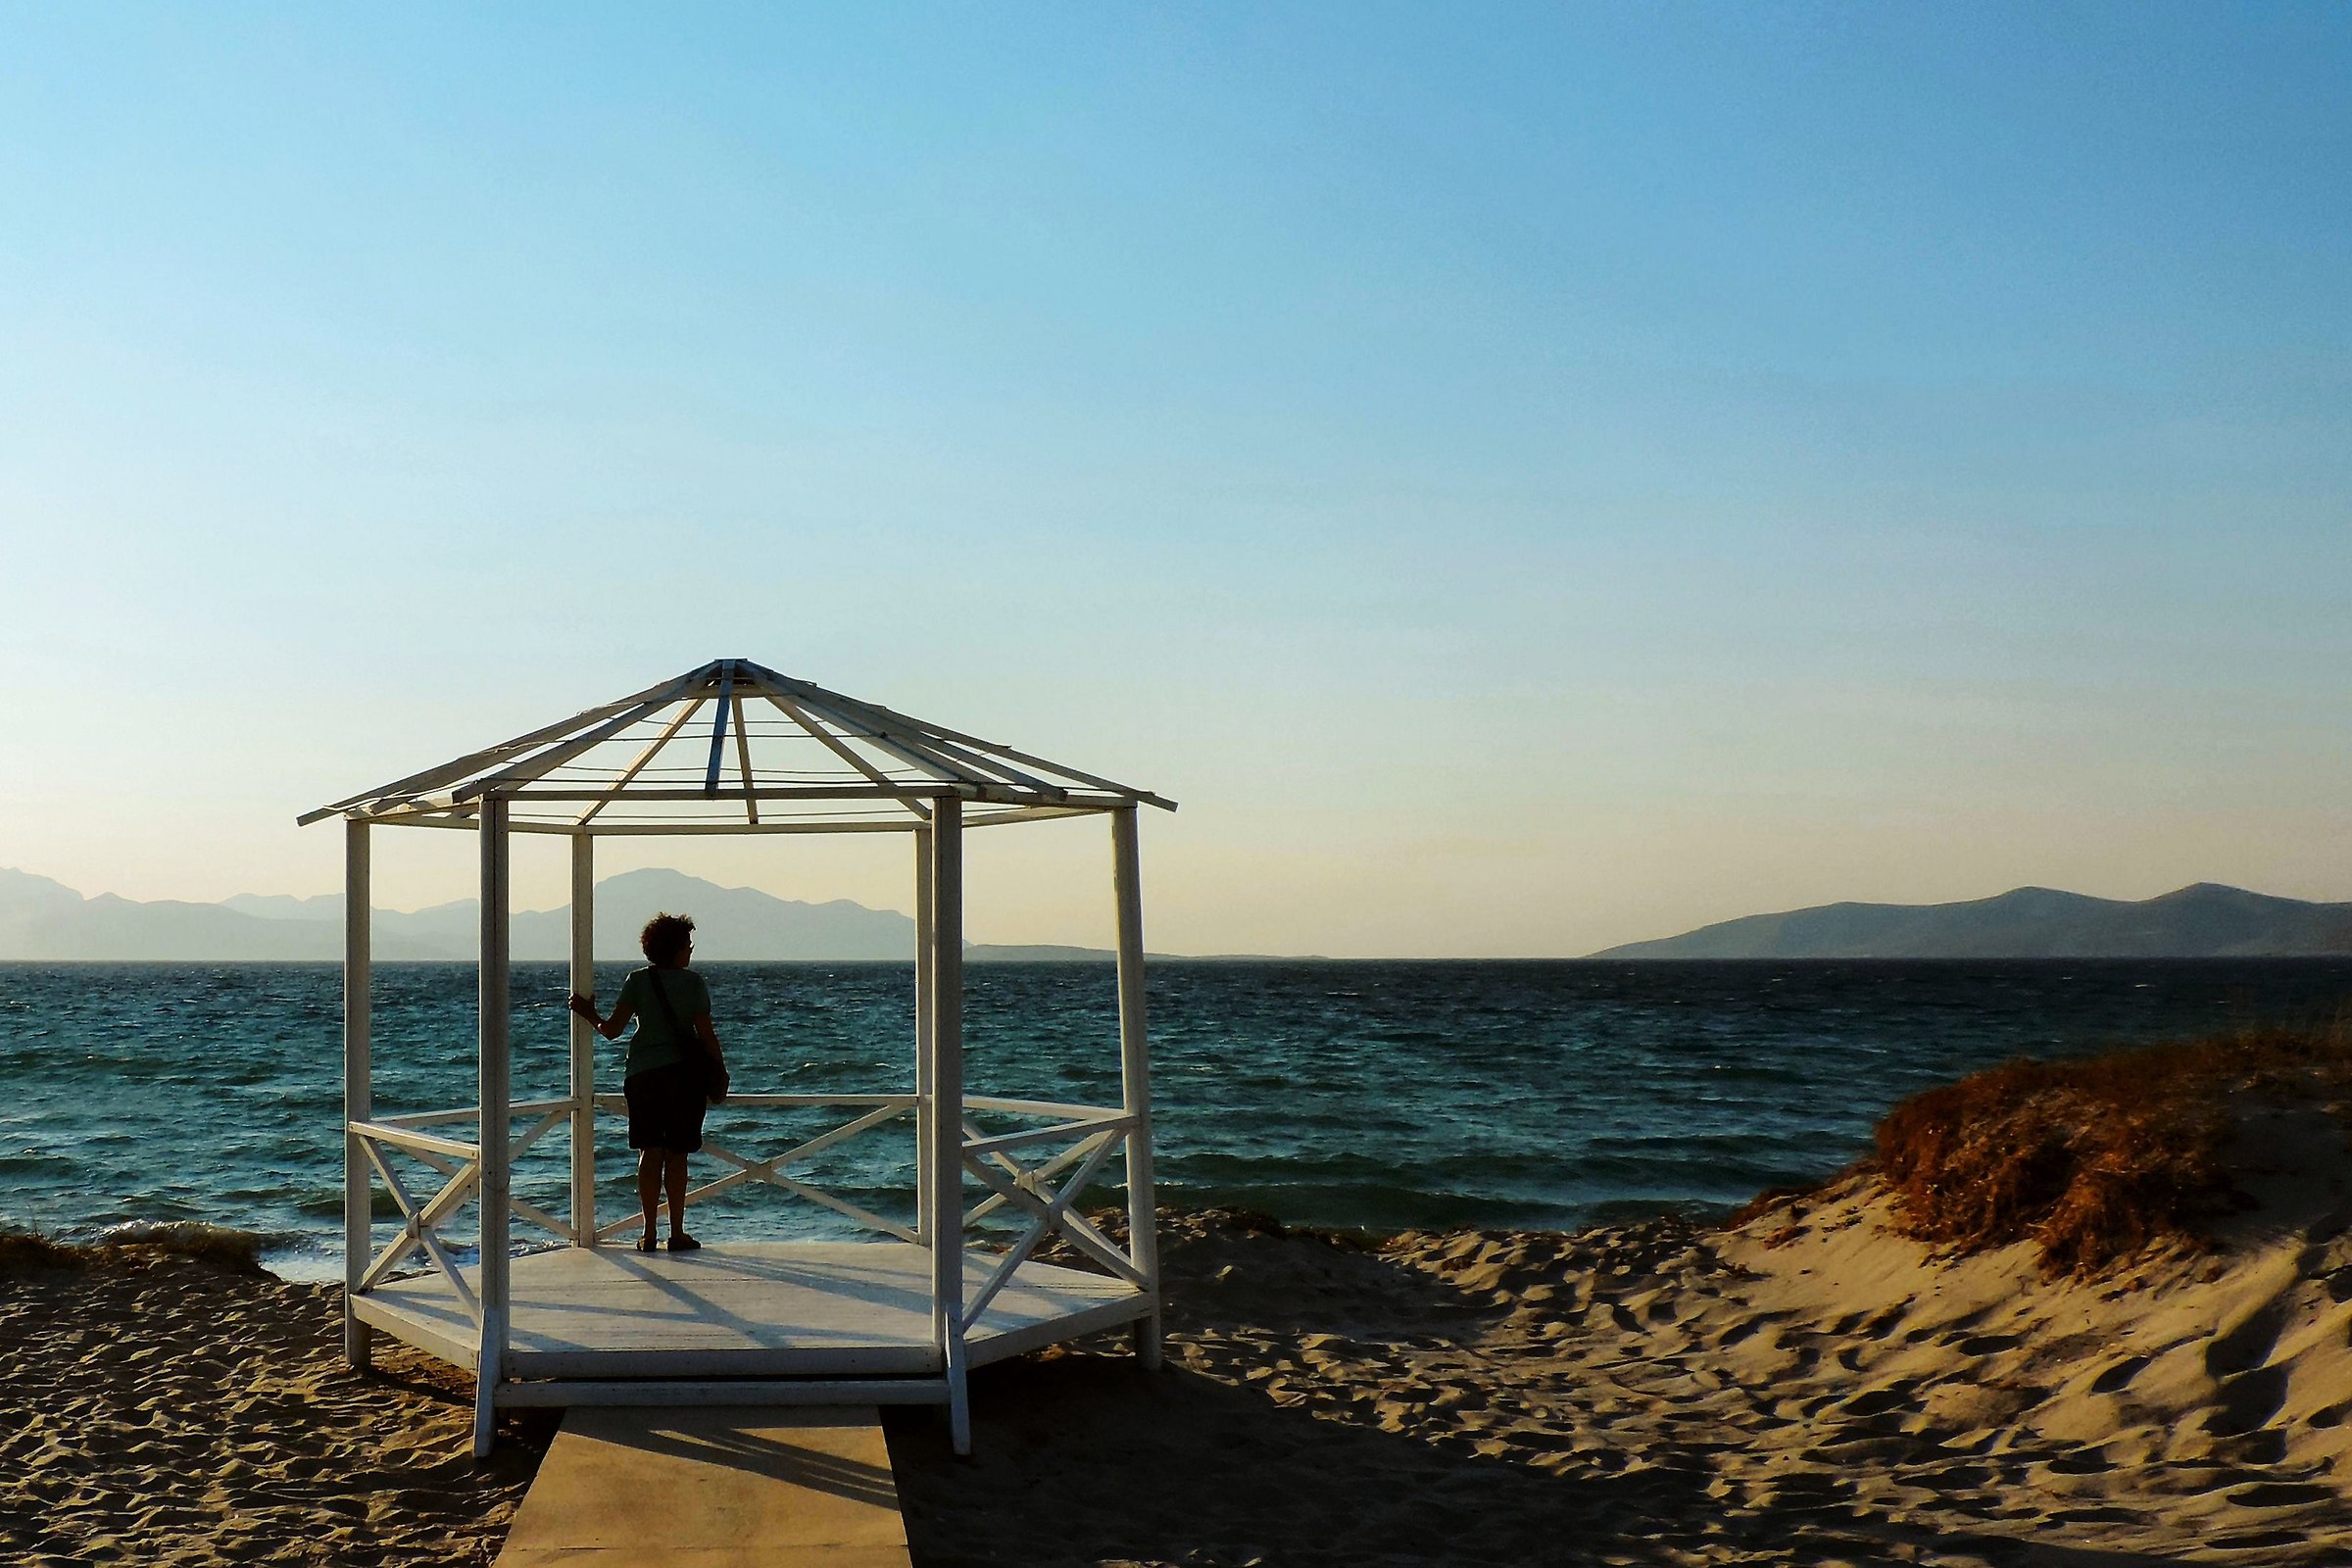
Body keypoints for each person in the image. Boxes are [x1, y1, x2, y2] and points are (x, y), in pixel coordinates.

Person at [567, 912, 729, 1253]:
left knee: (649, 1150)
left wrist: (588, 1013)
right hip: (684, 1077)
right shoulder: (693, 983)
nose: (690, 951)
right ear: (675, 949)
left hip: (643, 1075)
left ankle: (649, 1231)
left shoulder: (638, 981)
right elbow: (707, 1035)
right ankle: (678, 1232)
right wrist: (720, 1073)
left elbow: (612, 1031)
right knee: (678, 1153)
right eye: (687, 945)